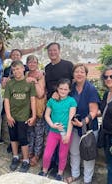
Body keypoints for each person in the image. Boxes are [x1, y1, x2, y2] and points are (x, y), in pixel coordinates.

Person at [65, 64, 100, 184]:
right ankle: (75, 174)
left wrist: (83, 123)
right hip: (74, 126)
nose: (79, 74)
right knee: (74, 152)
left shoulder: (90, 89)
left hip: (88, 128)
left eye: (82, 72)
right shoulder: (71, 87)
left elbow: (94, 111)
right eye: (76, 72)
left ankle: (87, 180)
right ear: (73, 74)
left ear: (86, 75)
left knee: (88, 154)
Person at [44, 42, 74, 174]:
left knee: (63, 141)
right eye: (50, 51)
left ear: (59, 51)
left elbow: (73, 82)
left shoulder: (68, 65)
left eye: (54, 50)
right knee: (52, 137)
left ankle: (58, 167)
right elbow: (48, 85)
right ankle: (49, 164)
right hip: (52, 104)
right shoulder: (47, 68)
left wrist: (65, 97)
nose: (52, 53)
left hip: (66, 104)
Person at [39, 78, 77, 181]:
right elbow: (47, 115)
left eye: (65, 89)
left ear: (69, 90)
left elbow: (71, 119)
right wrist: (52, 125)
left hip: (65, 133)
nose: (63, 91)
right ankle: (44, 170)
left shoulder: (71, 101)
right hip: (53, 132)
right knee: (47, 154)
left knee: (62, 155)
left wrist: (68, 135)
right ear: (57, 88)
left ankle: (60, 173)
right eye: (61, 89)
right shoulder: (52, 100)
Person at [4, 60, 36, 173]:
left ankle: (26, 160)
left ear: (23, 68)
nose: (16, 71)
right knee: (13, 137)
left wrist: (34, 115)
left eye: (18, 68)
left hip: (23, 116)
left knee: (23, 138)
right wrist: (8, 115)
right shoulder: (10, 83)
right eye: (14, 70)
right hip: (12, 116)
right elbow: (6, 100)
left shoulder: (29, 83)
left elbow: (32, 100)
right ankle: (15, 157)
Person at [25, 55, 46, 166]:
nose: (32, 64)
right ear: (27, 64)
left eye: (34, 62)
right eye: (30, 62)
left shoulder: (40, 75)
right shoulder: (25, 74)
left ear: (37, 64)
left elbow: (40, 94)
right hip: (27, 108)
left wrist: (34, 81)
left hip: (38, 108)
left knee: (38, 133)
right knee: (29, 132)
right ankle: (30, 151)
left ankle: (37, 154)